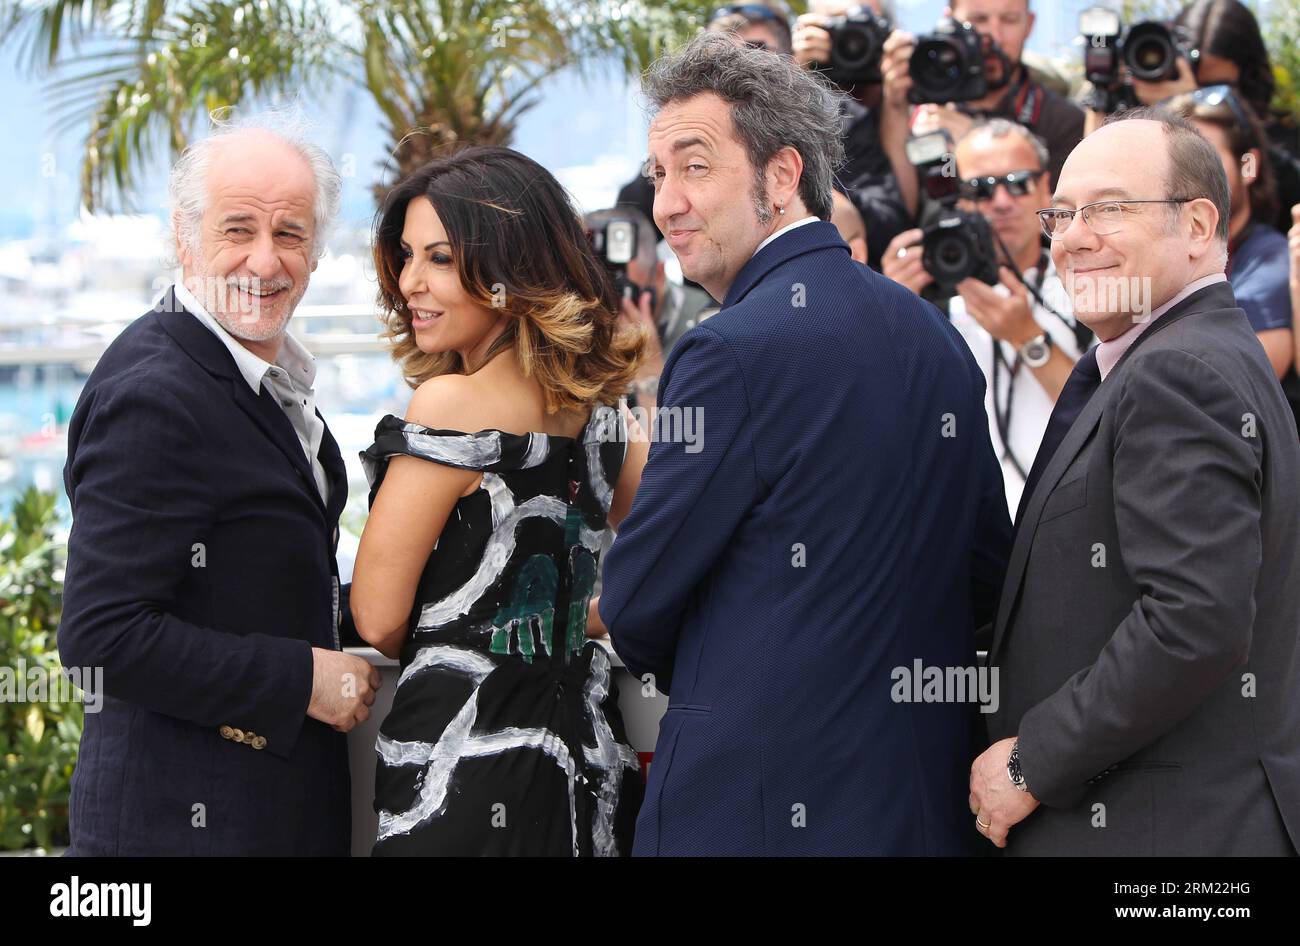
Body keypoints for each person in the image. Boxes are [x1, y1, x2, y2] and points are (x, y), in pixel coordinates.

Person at [596, 33, 1011, 856]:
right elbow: (988, 575)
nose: (667, 202)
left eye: (695, 166)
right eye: (658, 175)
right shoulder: (934, 335)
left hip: (752, 808)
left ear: (782, 176)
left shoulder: (727, 350)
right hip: (924, 807)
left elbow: (639, 600)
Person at [974, 109, 1300, 855]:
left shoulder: (1177, 372)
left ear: (1197, 224)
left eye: (1110, 209)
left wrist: (1031, 763)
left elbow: (1194, 622)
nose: (1073, 238)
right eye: (1061, 214)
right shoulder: (1177, 356)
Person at [58, 111, 378, 855]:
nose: (265, 264)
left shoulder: (259, 374)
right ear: (185, 237)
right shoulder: (157, 394)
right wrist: (298, 678)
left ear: (317, 250)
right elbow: (100, 638)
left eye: (290, 234)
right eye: (239, 230)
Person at [351, 146, 647, 856]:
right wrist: (574, 622)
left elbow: (378, 616)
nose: (411, 283)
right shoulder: (610, 416)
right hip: (589, 766)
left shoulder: (451, 406)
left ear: (510, 266)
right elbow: (666, 567)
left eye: (441, 258)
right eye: (407, 256)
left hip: (460, 770)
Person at [883, 119, 1083, 513]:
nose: (1002, 202)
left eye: (1019, 182)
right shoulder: (927, 300)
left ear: (1047, 188)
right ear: (956, 198)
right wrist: (889, 313)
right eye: (981, 189)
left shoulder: (1087, 283)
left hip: (1061, 517)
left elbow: (1106, 417)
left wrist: (1028, 339)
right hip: (964, 529)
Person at [881, 0, 1085, 206]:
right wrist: (895, 107)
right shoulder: (919, 102)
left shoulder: (1064, 121)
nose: (993, 37)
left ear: (1029, 25)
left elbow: (1057, 222)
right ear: (949, 20)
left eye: (1009, 20)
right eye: (978, 20)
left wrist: (975, 140)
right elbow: (901, 210)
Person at [1164, 87, 1294, 380]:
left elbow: (1244, 384)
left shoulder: (1269, 258)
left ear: (1249, 165)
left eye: (1206, 160)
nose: (1189, 177)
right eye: (1177, 164)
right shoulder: (1159, 254)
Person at [793, 0, 912, 269]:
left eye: (868, 23)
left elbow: (899, 220)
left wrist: (897, 104)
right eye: (839, 23)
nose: (855, 38)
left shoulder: (921, 99)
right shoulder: (803, 95)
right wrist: (799, 81)